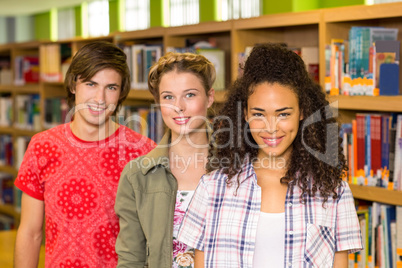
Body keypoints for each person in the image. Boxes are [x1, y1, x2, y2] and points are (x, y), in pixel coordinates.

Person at [177, 43, 363, 268]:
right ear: (244, 114)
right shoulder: (212, 188)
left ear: (302, 112)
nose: (271, 128)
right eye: (259, 114)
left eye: (283, 113)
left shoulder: (334, 192)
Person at [14, 41, 155, 268]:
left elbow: (154, 238)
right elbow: (30, 233)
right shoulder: (42, 146)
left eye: (111, 87)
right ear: (73, 85)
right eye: (91, 84)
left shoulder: (142, 151)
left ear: (121, 93)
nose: (100, 98)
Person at [114, 51, 215, 268]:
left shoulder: (239, 167)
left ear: (210, 97)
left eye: (190, 95)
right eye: (168, 97)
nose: (179, 106)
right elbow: (131, 258)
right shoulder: (137, 175)